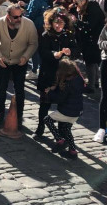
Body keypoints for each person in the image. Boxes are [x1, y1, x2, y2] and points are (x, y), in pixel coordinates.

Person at [0, 4, 38, 126]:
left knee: (19, 90)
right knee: (1, 88)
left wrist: (26, 57)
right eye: (15, 17)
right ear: (8, 16)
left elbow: (33, 43)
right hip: (3, 61)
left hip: (20, 62)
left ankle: (18, 116)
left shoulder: (29, 24)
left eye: (21, 16)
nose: (19, 19)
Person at [35, 8, 79, 139]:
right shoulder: (46, 35)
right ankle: (40, 128)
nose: (59, 25)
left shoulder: (69, 35)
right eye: (56, 22)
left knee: (63, 105)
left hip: (64, 76)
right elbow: (42, 53)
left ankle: (62, 133)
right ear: (51, 23)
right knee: (44, 104)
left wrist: (70, 51)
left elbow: (77, 50)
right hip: (49, 74)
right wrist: (54, 54)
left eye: (61, 23)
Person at [44, 59, 85, 160]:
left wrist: (49, 92)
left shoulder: (67, 83)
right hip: (77, 111)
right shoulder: (78, 78)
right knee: (67, 129)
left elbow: (60, 99)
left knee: (47, 119)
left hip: (67, 111)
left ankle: (60, 140)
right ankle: (73, 151)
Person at [74, 0, 105, 93]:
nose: (75, 5)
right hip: (91, 39)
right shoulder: (86, 7)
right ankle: (95, 82)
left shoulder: (92, 8)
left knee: (90, 61)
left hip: (93, 39)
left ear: (83, 1)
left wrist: (77, 22)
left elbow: (89, 26)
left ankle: (91, 85)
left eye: (77, 3)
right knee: (94, 61)